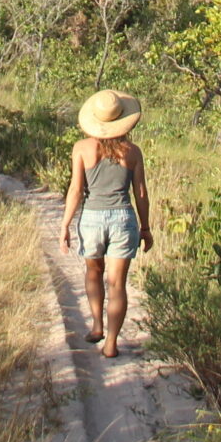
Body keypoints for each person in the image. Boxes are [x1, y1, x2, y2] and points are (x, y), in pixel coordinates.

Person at [59, 89, 152, 357]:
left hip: (92, 218)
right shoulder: (133, 152)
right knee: (117, 284)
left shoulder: (81, 148)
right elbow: (141, 193)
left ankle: (97, 326)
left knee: (93, 272)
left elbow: (76, 190)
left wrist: (65, 224)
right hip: (123, 217)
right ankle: (111, 343)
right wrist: (145, 228)